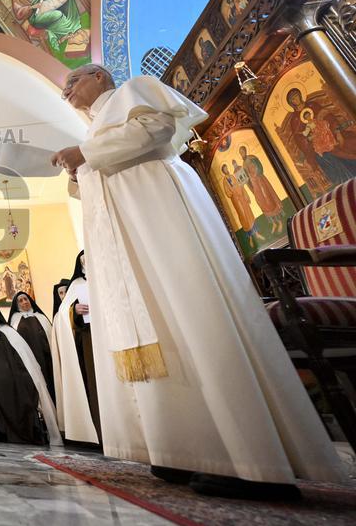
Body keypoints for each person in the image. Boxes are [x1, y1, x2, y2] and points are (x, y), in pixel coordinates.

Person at [51, 64, 343, 499]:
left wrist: (85, 154)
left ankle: (249, 458)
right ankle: (187, 448)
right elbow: (100, 169)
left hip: (159, 216)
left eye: (72, 81)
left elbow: (155, 130)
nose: (66, 91)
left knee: (188, 312)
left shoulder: (135, 90)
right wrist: (79, 167)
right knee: (160, 327)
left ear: (99, 75)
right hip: (125, 238)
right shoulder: (94, 130)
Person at [0, 306, 61, 445]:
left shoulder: (9, 332)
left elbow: (22, 358)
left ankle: (30, 435)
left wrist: (21, 376)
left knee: (26, 400)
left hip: (17, 382)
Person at [50, 252, 99, 445]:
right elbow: (63, 316)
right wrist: (75, 312)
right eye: (83, 260)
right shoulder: (77, 284)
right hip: (90, 340)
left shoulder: (105, 275)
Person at [8, 291, 54, 400]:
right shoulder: (15, 321)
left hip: (47, 358)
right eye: (20, 301)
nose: (24, 302)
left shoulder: (41, 317)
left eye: (26, 299)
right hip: (28, 360)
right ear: (16, 304)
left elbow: (50, 336)